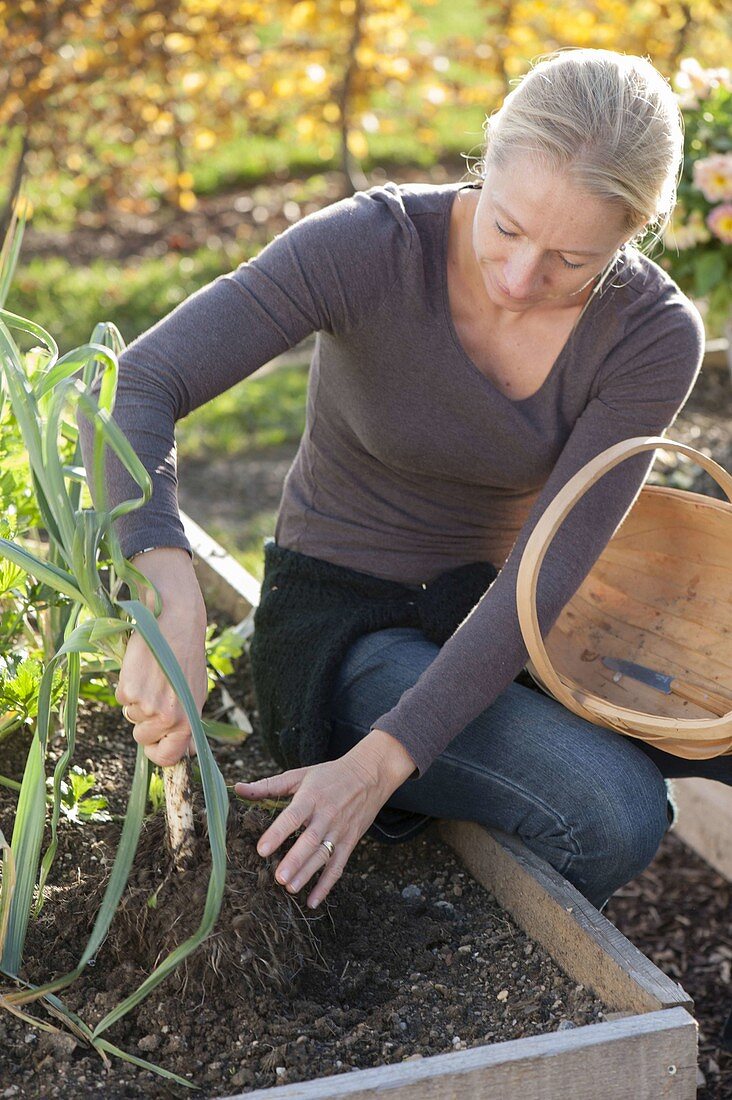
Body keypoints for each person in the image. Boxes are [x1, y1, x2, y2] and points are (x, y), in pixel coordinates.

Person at [79, 47, 721, 920]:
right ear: (483, 165)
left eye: (573, 260)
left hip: (509, 615)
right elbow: (136, 383)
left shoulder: (651, 334)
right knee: (615, 812)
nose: (522, 279)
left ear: (634, 233)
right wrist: (167, 583)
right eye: (505, 227)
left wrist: (379, 769)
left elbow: (550, 565)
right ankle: (450, 919)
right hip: (345, 623)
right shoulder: (371, 248)